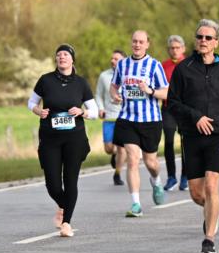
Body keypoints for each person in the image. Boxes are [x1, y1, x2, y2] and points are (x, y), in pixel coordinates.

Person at [167, 20, 219, 253]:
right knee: (197, 194)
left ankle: (209, 239)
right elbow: (172, 102)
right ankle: (214, 208)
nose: (203, 41)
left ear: (216, 43)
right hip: (191, 135)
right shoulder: (184, 68)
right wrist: (195, 117)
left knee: (212, 185)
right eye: (200, 37)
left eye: (208, 38)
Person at [29, 44, 98, 238]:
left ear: (72, 59)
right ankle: (63, 205)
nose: (62, 57)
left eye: (65, 54)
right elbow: (31, 102)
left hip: (74, 138)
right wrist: (38, 111)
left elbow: (94, 111)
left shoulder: (81, 83)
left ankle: (66, 222)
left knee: (70, 180)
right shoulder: (45, 80)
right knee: (52, 184)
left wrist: (82, 112)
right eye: (58, 55)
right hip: (50, 138)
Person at [113, 30, 170, 217]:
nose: (137, 45)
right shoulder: (122, 64)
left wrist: (149, 90)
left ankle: (156, 180)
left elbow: (166, 92)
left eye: (141, 42)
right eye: (134, 41)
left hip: (150, 121)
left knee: (151, 162)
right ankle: (136, 204)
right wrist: (115, 95)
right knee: (132, 159)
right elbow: (114, 86)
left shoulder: (154, 66)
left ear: (147, 44)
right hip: (128, 119)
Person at [161, 35, 187, 192]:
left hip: (185, 109)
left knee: (186, 143)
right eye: (172, 48)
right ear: (168, 50)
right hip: (168, 108)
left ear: (183, 49)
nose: (175, 50)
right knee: (169, 141)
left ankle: (185, 176)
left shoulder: (190, 64)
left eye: (178, 48)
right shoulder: (163, 65)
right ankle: (171, 177)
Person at [96, 50, 126, 186]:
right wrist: (100, 108)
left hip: (125, 117)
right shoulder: (104, 76)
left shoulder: (129, 75)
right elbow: (98, 95)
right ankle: (114, 154)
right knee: (109, 148)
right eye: (112, 58)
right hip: (109, 117)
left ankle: (117, 174)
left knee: (122, 148)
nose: (113, 61)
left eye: (116, 59)